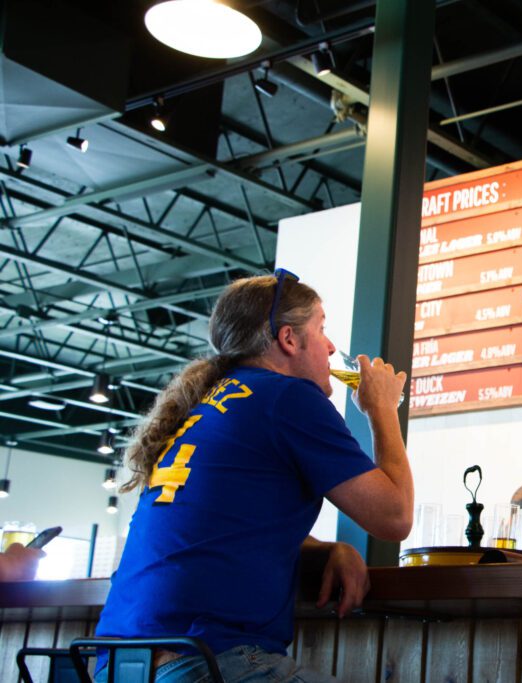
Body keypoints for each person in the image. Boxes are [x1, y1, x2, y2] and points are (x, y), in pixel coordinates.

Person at [94, 271, 413, 682]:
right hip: (205, 662)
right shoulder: (288, 396)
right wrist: (383, 409)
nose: (332, 346)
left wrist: (320, 549)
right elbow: (395, 517)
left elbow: (220, 524)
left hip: (115, 665)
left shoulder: (204, 405)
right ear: (289, 340)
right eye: (322, 328)